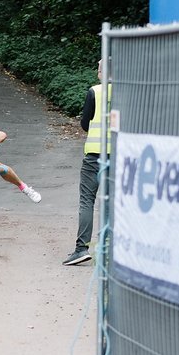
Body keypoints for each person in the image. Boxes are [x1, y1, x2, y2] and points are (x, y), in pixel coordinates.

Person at [64, 61, 108, 266]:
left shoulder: (95, 92)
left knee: (87, 201)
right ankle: (112, 250)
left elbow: (84, 124)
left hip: (94, 156)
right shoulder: (128, 91)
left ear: (101, 73)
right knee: (115, 202)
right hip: (118, 155)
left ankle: (82, 249)